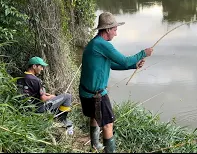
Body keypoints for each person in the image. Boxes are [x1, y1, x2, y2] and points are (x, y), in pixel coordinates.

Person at [79, 12, 153, 153]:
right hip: (96, 95)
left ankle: (95, 146)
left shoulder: (95, 44)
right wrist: (144, 53)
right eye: (115, 29)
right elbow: (124, 60)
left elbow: (113, 65)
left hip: (86, 92)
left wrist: (133, 65)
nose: (116, 33)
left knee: (94, 116)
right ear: (107, 30)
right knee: (108, 124)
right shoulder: (102, 45)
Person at [16, 56, 73, 132]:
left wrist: (46, 94)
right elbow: (43, 99)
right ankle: (61, 120)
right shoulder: (35, 80)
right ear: (34, 66)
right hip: (37, 109)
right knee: (67, 96)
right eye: (41, 66)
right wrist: (52, 96)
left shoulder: (21, 77)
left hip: (25, 108)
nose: (42, 69)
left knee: (53, 96)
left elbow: (31, 92)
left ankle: (55, 116)